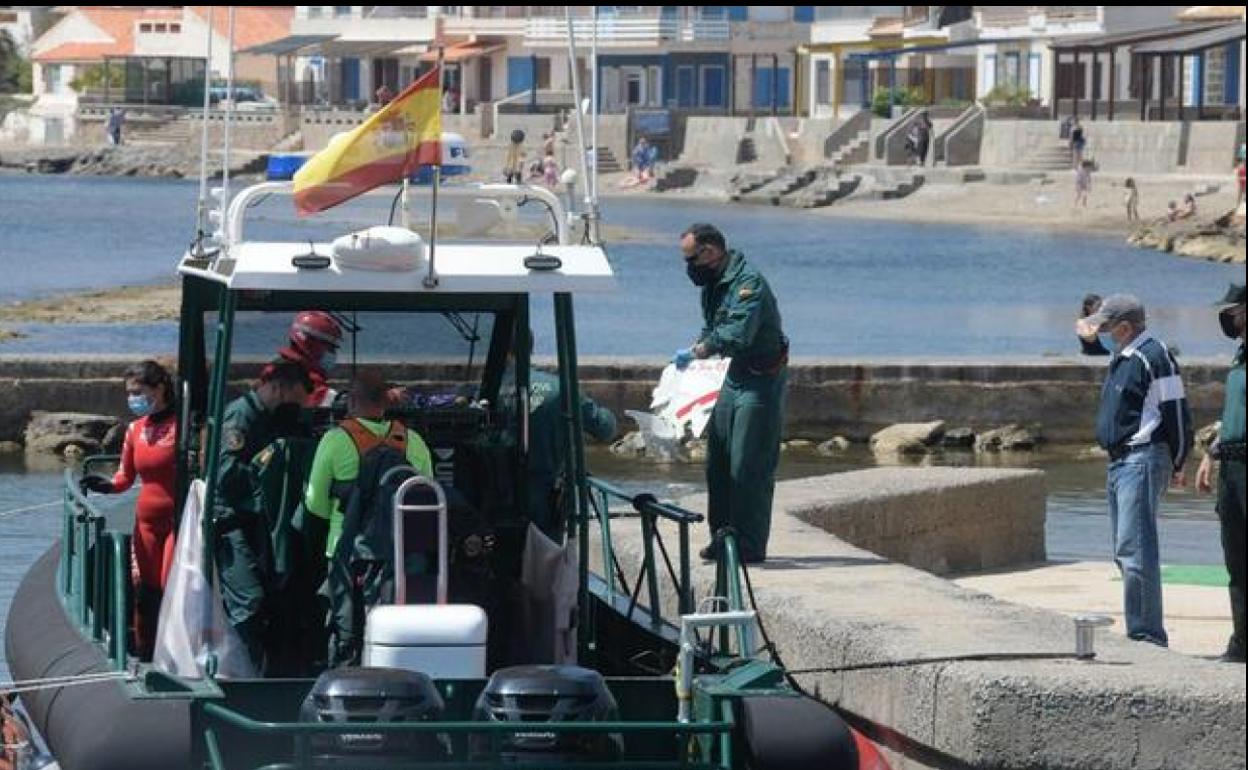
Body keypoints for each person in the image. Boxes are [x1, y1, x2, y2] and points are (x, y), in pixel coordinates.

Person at [673, 224, 788, 564]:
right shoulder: (712, 285)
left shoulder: (748, 284)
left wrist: (699, 351)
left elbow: (736, 333)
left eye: (691, 259)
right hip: (730, 376)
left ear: (710, 252)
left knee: (747, 465)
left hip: (759, 380)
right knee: (719, 462)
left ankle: (749, 545)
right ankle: (722, 537)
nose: (689, 268)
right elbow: (711, 327)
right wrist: (696, 350)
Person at [304, 370, 433, 666]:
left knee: (345, 625)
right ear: (385, 403)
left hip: (346, 550)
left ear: (351, 401)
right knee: (394, 622)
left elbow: (314, 502)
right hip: (400, 551)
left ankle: (345, 674)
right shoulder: (412, 440)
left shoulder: (334, 440)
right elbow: (426, 495)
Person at [1086, 294, 1192, 647]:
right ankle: (1141, 629)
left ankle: (1148, 636)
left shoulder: (1153, 356)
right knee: (1125, 550)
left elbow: (1176, 410)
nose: (1103, 332)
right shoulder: (1124, 355)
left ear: (1126, 327)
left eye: (1107, 327)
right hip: (1121, 461)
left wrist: (1178, 460)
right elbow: (1089, 345)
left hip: (1142, 458)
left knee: (1136, 551)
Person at [214, 359, 313, 673]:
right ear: (279, 388)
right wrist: (268, 484)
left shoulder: (272, 419)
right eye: (294, 400)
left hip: (258, 522)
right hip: (231, 521)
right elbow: (226, 473)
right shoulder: (241, 417)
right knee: (250, 600)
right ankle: (243, 672)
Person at [80, 360, 178, 659]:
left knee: (170, 585)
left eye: (138, 391)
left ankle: (176, 652)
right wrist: (104, 486)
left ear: (159, 388)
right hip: (146, 522)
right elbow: (125, 478)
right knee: (145, 591)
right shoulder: (135, 430)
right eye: (129, 393)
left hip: (177, 519)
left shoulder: (184, 426)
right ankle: (146, 653)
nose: (133, 398)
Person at [503, 328, 617, 539]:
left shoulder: (490, 389)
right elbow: (605, 428)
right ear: (530, 348)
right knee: (548, 560)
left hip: (499, 496)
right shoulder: (559, 388)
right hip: (548, 498)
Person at [1196, 284, 1246, 663]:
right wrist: (1211, 453)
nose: (1227, 319)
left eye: (1232, 311)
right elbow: (1234, 419)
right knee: (1236, 557)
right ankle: (1241, 643)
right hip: (1231, 466)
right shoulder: (1238, 357)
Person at [267, 310, 343, 407]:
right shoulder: (322, 393)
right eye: (330, 348)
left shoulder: (272, 371)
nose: (333, 354)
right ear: (313, 345)